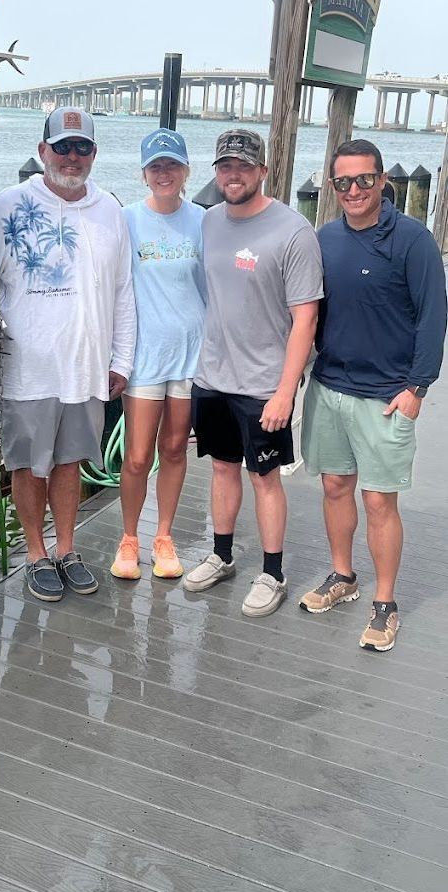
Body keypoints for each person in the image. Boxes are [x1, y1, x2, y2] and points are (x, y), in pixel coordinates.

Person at [0, 107, 136, 603]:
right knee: (28, 465)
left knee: (70, 462)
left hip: (86, 365)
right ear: (42, 150)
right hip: (26, 367)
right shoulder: (7, 206)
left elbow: (123, 291)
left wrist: (122, 359)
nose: (72, 157)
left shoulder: (110, 209)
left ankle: (66, 549)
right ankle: (34, 553)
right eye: (63, 146)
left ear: (94, 154)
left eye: (82, 147)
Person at [300, 138, 447, 652]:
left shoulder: (413, 240)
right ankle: (343, 576)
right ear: (333, 187)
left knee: (380, 500)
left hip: (386, 396)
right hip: (330, 387)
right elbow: (305, 314)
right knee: (335, 488)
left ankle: (385, 604)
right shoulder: (324, 239)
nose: (355, 190)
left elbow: (433, 318)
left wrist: (417, 388)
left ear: (383, 180)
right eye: (343, 182)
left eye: (365, 179)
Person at [182, 128, 323, 617]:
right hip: (213, 376)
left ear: (263, 171)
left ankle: (273, 572)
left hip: (264, 383)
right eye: (225, 166)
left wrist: (286, 391)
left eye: (244, 166)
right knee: (221, 468)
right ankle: (221, 556)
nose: (234, 175)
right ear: (217, 172)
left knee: (263, 476)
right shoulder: (208, 221)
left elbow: (306, 316)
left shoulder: (293, 231)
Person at [110, 128, 206, 581]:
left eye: (172, 165)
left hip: (190, 355)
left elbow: (217, 288)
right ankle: (129, 538)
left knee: (173, 449)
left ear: (186, 171)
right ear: (144, 173)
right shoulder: (126, 219)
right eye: (155, 166)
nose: (163, 173)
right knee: (136, 456)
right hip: (145, 356)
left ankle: (163, 536)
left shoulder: (204, 221)